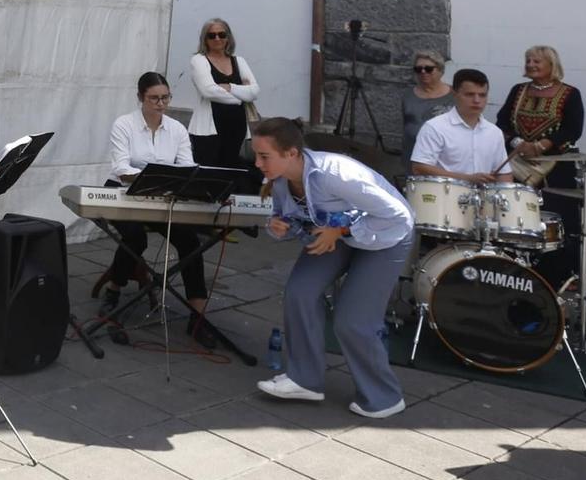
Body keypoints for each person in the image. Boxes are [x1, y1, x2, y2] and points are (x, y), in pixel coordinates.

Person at [252, 117, 415, 418]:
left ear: (291, 153)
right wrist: (280, 227)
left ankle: (385, 397)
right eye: (256, 155)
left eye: (264, 156)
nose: (258, 163)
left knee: (352, 321)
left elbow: (400, 216)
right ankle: (305, 380)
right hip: (335, 234)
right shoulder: (279, 182)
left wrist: (339, 232)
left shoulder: (335, 174)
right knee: (299, 294)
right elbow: (295, 223)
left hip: (386, 237)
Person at [96, 73, 223, 348]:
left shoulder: (177, 129)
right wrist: (155, 177)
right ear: (141, 97)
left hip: (164, 193)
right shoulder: (124, 124)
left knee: (190, 242)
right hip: (126, 189)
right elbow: (121, 167)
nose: (160, 104)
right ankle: (114, 292)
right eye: (154, 98)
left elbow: (187, 165)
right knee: (134, 238)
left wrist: (178, 181)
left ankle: (197, 317)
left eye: (165, 98)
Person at [495, 45, 586, 287]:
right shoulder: (518, 91)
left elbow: (573, 128)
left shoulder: (569, 94)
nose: (531, 65)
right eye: (528, 61)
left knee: (558, 218)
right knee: (517, 215)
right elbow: (502, 121)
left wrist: (544, 144)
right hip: (519, 165)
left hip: (556, 168)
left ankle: (563, 274)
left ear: (551, 65)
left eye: (537, 61)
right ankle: (516, 267)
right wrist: (518, 142)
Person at [408, 69, 512, 185]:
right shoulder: (434, 127)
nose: (477, 100)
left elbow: (504, 174)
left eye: (482, 95)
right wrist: (466, 178)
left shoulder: (495, 132)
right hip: (444, 197)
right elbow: (419, 167)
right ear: (454, 93)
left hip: (482, 200)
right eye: (470, 94)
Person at [188, 18, 258, 167]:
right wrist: (240, 97)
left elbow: (254, 92)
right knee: (208, 171)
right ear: (204, 39)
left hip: (236, 126)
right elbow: (208, 91)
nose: (217, 38)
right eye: (211, 35)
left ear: (228, 37)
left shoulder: (239, 61)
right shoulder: (199, 60)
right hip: (208, 129)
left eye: (222, 34)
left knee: (230, 169)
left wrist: (230, 87)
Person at [401, 52, 453, 169]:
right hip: (414, 158)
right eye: (418, 69)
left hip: (446, 160)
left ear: (440, 70)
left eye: (428, 69)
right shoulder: (408, 96)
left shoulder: (454, 95)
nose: (423, 72)